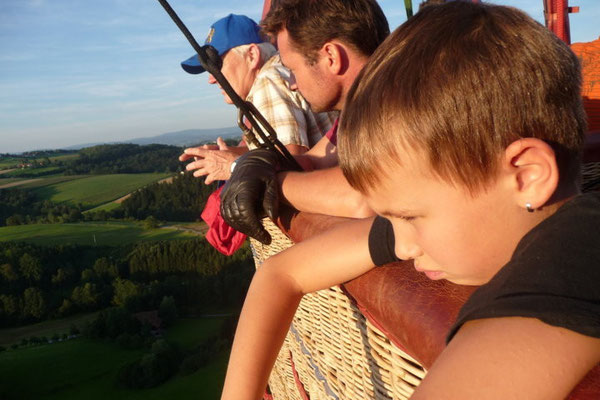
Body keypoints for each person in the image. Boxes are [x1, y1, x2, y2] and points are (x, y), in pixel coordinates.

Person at [220, 2, 600, 399]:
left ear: (527, 176)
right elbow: (282, 273)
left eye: (412, 216)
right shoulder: (457, 219)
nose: (403, 243)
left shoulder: (577, 261)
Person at [220, 0, 390, 244]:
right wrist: (261, 163)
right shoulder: (359, 109)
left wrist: (273, 186)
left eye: (292, 69)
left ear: (331, 56)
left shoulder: (396, 101)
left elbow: (363, 197)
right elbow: (313, 160)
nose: (292, 84)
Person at [178, 14, 335, 185]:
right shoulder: (281, 70)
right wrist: (232, 153)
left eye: (216, 65)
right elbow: (277, 153)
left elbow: (285, 169)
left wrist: (231, 166)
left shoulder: (267, 81)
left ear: (252, 55)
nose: (211, 79)